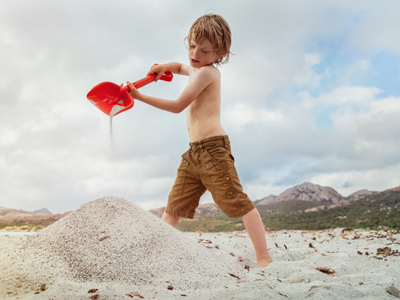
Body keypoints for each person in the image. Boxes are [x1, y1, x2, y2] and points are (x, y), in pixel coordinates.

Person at [126, 14, 273, 268]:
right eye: (192, 45)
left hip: (213, 151)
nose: (195, 53)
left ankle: (264, 256)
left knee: (237, 200)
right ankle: (157, 257)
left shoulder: (208, 74)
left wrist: (139, 96)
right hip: (194, 153)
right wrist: (164, 67)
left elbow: (177, 106)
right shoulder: (195, 67)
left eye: (204, 50)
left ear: (219, 53)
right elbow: (180, 67)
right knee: (173, 207)